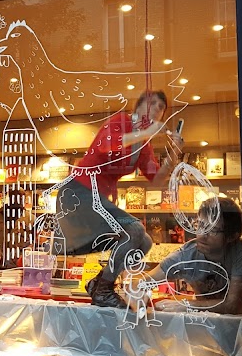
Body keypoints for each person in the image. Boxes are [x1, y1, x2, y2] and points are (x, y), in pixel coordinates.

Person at [55, 90, 183, 308]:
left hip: (96, 197)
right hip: (79, 192)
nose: (156, 111)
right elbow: (108, 145)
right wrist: (146, 133)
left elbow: (156, 179)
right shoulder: (120, 121)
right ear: (138, 106)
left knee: (144, 242)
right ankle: (103, 288)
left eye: (161, 108)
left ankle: (99, 283)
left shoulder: (144, 147)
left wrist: (174, 156)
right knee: (134, 231)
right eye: (151, 104)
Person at [144, 197, 242, 314]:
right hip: (208, 326)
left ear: (232, 237)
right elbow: (144, 281)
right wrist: (139, 291)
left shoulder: (240, 252)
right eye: (200, 225)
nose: (202, 235)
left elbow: (233, 306)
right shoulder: (187, 254)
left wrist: (186, 305)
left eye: (213, 230)